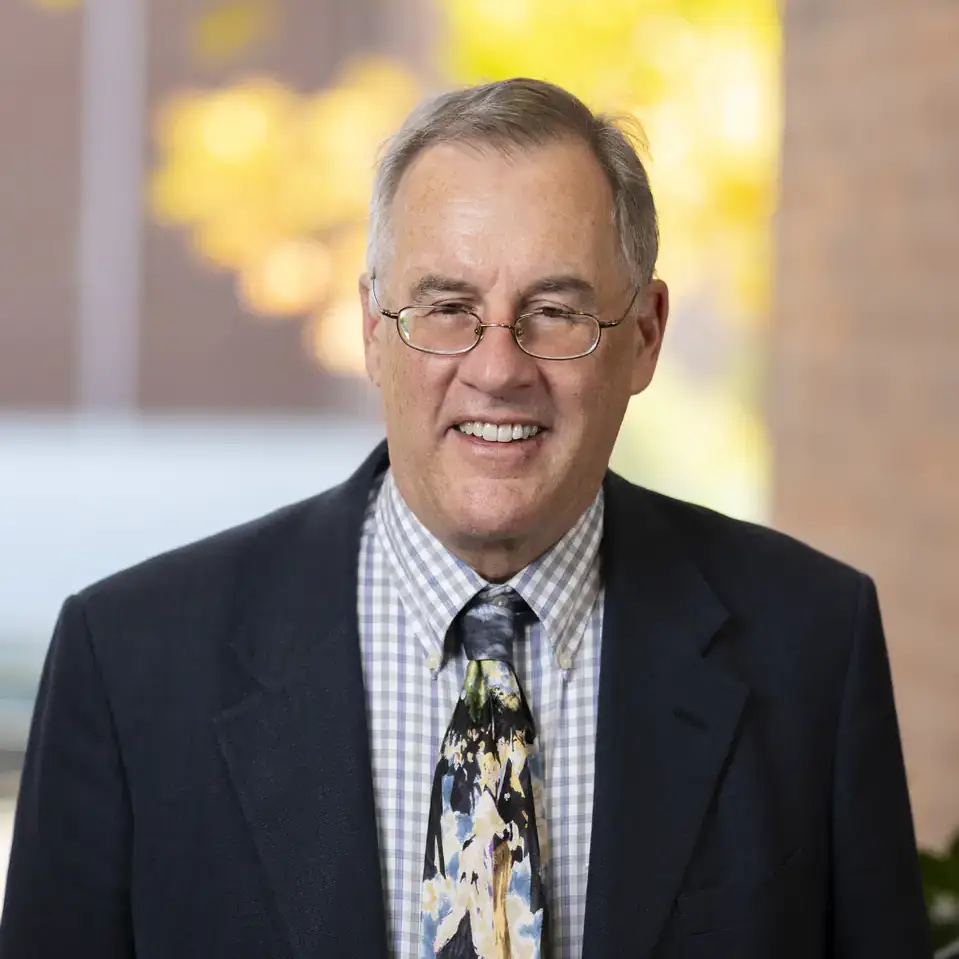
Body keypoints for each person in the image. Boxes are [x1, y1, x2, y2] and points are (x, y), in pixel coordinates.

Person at [0, 78, 930, 959]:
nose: (496, 368)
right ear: (372, 327)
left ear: (643, 334)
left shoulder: (811, 645)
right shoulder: (127, 663)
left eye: (555, 311)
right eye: (447, 307)